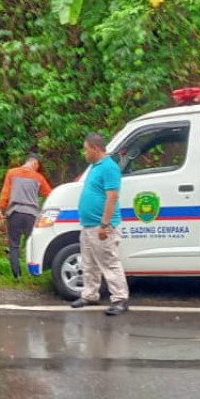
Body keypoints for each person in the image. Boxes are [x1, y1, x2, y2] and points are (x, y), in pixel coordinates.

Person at [70, 132, 130, 315]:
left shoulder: (109, 167)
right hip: (88, 225)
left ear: (95, 148)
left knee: (109, 262)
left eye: (86, 149)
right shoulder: (95, 167)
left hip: (102, 225)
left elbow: (112, 197)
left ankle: (120, 298)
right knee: (89, 264)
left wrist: (105, 225)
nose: (84, 153)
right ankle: (90, 295)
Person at [0, 153, 52, 278]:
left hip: (14, 213)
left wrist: (0, 210)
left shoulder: (12, 173)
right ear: (34, 163)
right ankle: (34, 273)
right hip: (31, 215)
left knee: (14, 245)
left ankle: (17, 275)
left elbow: (5, 193)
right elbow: (50, 194)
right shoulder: (39, 178)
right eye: (38, 166)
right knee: (32, 244)